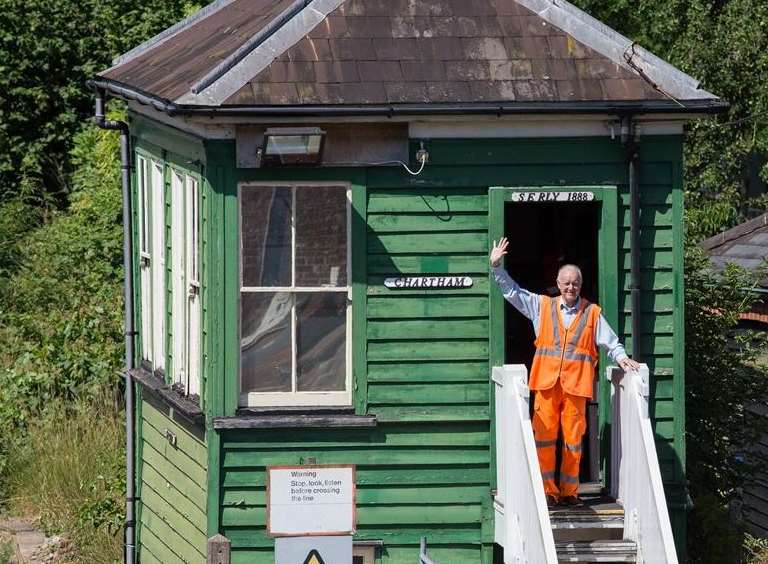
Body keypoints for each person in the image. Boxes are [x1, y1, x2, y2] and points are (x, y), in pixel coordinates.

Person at [490, 236, 640, 507]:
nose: (571, 287)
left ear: (581, 286)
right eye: (566, 282)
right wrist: (497, 268)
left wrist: (622, 358)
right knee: (544, 438)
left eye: (575, 283)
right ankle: (547, 491)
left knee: (572, 441)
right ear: (558, 285)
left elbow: (610, 341)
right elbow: (513, 293)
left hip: (575, 387)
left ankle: (569, 492)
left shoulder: (592, 313)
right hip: (546, 385)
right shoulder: (542, 305)